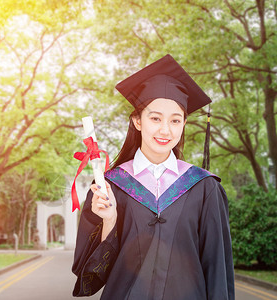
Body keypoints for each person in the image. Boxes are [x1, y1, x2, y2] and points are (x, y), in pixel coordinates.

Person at [72, 54, 234, 299]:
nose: (165, 130)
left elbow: (217, 270)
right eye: (155, 118)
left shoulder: (204, 187)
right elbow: (92, 276)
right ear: (137, 120)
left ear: (184, 124)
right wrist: (109, 221)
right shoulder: (110, 186)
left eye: (175, 120)